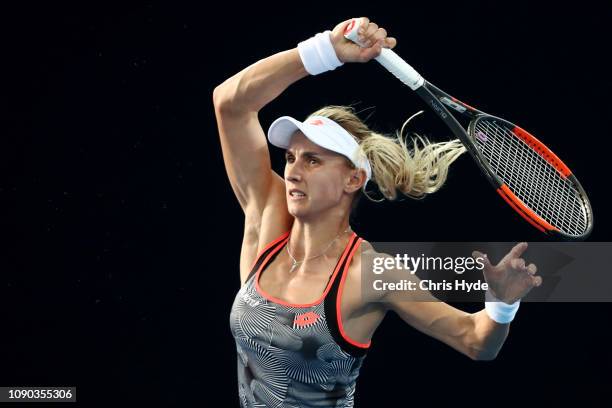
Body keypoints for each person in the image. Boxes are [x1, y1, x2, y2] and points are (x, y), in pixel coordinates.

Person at [213, 17, 543, 407]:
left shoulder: (371, 273)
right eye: (290, 157)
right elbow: (229, 103)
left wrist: (501, 302)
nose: (293, 172)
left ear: (353, 180)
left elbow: (475, 341)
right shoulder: (266, 216)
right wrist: (324, 52)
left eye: (313, 161)